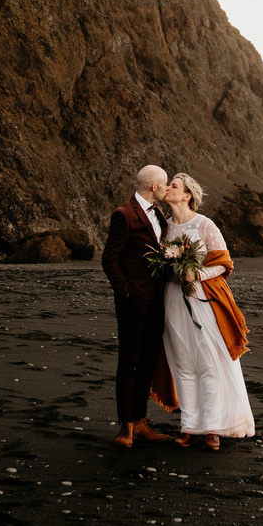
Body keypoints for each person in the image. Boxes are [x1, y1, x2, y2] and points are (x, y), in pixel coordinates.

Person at [151, 173, 254, 449]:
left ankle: (213, 428)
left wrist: (195, 274)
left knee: (208, 361)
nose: (168, 188)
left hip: (202, 297)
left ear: (187, 195)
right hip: (172, 298)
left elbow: (224, 263)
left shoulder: (204, 224)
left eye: (174, 185)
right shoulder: (164, 227)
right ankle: (189, 427)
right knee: (182, 362)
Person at [100, 164, 176, 447]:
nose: (168, 189)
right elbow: (110, 259)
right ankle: (125, 425)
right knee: (129, 360)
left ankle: (141, 420)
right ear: (154, 187)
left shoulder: (158, 213)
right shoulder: (124, 215)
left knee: (148, 358)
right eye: (165, 184)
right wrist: (126, 292)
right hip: (133, 301)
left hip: (157, 299)